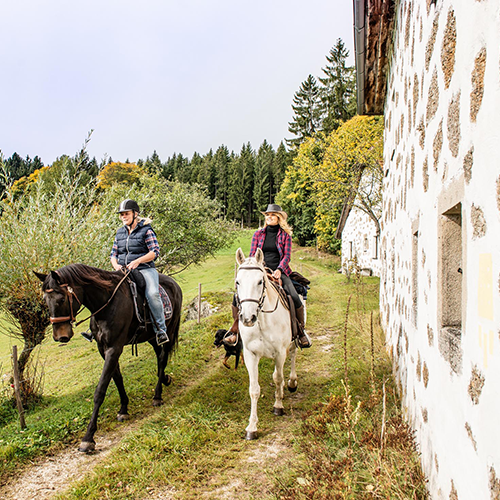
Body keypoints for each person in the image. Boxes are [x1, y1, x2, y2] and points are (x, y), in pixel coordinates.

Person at [225, 203, 311, 348]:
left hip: (279, 271)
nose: (269, 217)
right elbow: (253, 255)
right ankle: (235, 329)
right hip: (260, 270)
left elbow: (287, 256)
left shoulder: (285, 236)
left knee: (294, 296)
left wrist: (279, 269)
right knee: (237, 296)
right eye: (267, 215)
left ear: (279, 218)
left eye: (272, 215)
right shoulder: (258, 234)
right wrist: (255, 269)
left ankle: (301, 331)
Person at [110, 199, 169, 345]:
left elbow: (155, 252)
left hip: (145, 269)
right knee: (105, 289)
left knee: (153, 294)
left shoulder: (146, 230)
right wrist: (116, 266)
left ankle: (161, 331)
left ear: (135, 214)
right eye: (121, 214)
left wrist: (138, 261)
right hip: (123, 270)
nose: (124, 216)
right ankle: (96, 329)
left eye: (126, 213)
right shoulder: (119, 233)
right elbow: (113, 254)